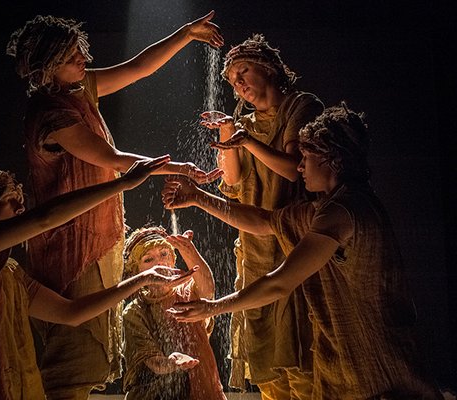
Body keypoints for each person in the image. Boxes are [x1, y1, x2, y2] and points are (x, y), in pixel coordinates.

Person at [5, 12, 223, 399]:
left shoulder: (79, 90)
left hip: (99, 237)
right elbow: (113, 159)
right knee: (76, 357)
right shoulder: (50, 112)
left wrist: (186, 34)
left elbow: (138, 68)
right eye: (71, 57)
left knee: (92, 357)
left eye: (79, 51)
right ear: (47, 66)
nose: (83, 60)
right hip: (70, 246)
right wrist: (179, 168)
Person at [162, 103, 444, 399]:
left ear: (332, 160)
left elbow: (280, 282)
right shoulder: (327, 207)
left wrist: (213, 307)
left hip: (375, 361)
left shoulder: (343, 210)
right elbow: (265, 221)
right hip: (349, 363)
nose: (299, 167)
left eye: (306, 158)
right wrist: (198, 197)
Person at [0, 156, 198, 400]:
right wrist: (121, 183)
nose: (20, 207)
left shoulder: (11, 274)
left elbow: (71, 313)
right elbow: (44, 219)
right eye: (10, 199)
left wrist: (143, 279)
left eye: (20, 199)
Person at [199, 33, 324, 398]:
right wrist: (229, 131)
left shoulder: (300, 105)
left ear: (268, 68)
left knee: (299, 344)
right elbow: (233, 182)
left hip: (294, 237)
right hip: (254, 244)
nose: (238, 84)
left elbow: (293, 170)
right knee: (264, 350)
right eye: (232, 80)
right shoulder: (244, 124)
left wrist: (247, 141)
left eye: (243, 72)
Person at [121, 226, 226, 400]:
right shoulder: (135, 312)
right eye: (148, 259)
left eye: (164, 254)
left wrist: (189, 250)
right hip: (155, 394)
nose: (159, 263)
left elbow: (207, 290)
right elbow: (152, 361)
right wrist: (172, 362)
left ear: (173, 259)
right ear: (136, 271)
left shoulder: (187, 291)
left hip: (204, 388)